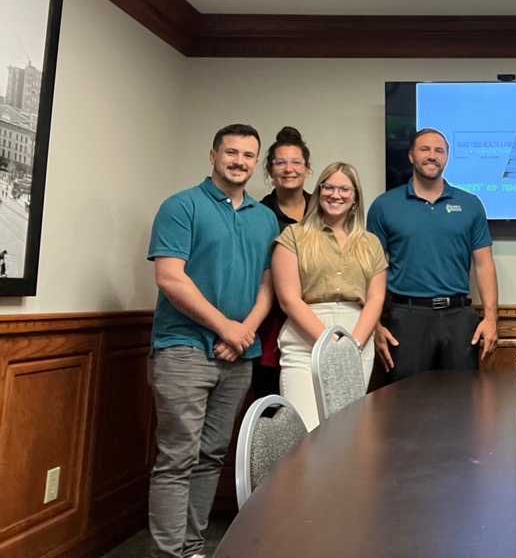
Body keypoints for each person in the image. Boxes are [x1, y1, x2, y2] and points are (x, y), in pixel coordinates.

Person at [146, 124, 278, 558]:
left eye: (248, 155)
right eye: (231, 152)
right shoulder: (181, 205)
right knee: (177, 458)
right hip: (182, 348)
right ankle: (169, 554)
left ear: (256, 162)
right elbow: (170, 277)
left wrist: (243, 333)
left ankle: (191, 548)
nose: (239, 161)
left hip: (239, 354)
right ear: (213, 155)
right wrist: (225, 327)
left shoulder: (264, 217)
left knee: (211, 456)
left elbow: (268, 286)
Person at [368, 128, 499, 381]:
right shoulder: (384, 206)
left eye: (439, 150)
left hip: (458, 317)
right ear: (411, 156)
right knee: (405, 398)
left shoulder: (470, 204)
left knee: (462, 397)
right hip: (406, 317)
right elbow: (371, 269)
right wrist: (374, 324)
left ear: (446, 157)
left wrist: (492, 318)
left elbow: (484, 264)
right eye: (424, 149)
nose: (432, 155)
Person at [271, 162, 387, 429]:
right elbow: (288, 299)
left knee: (347, 429)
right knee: (306, 428)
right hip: (305, 334)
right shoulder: (294, 236)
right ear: (319, 191)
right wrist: (331, 343)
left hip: (357, 334)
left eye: (345, 189)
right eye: (329, 187)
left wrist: (351, 345)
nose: (336, 195)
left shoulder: (370, 243)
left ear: (355, 197)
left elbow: (375, 299)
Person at [253, 126, 313, 399]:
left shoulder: (325, 210)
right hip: (270, 321)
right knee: (273, 404)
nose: (289, 169)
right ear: (270, 169)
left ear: (307, 168)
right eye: (280, 162)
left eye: (296, 162)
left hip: (318, 316)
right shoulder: (256, 214)